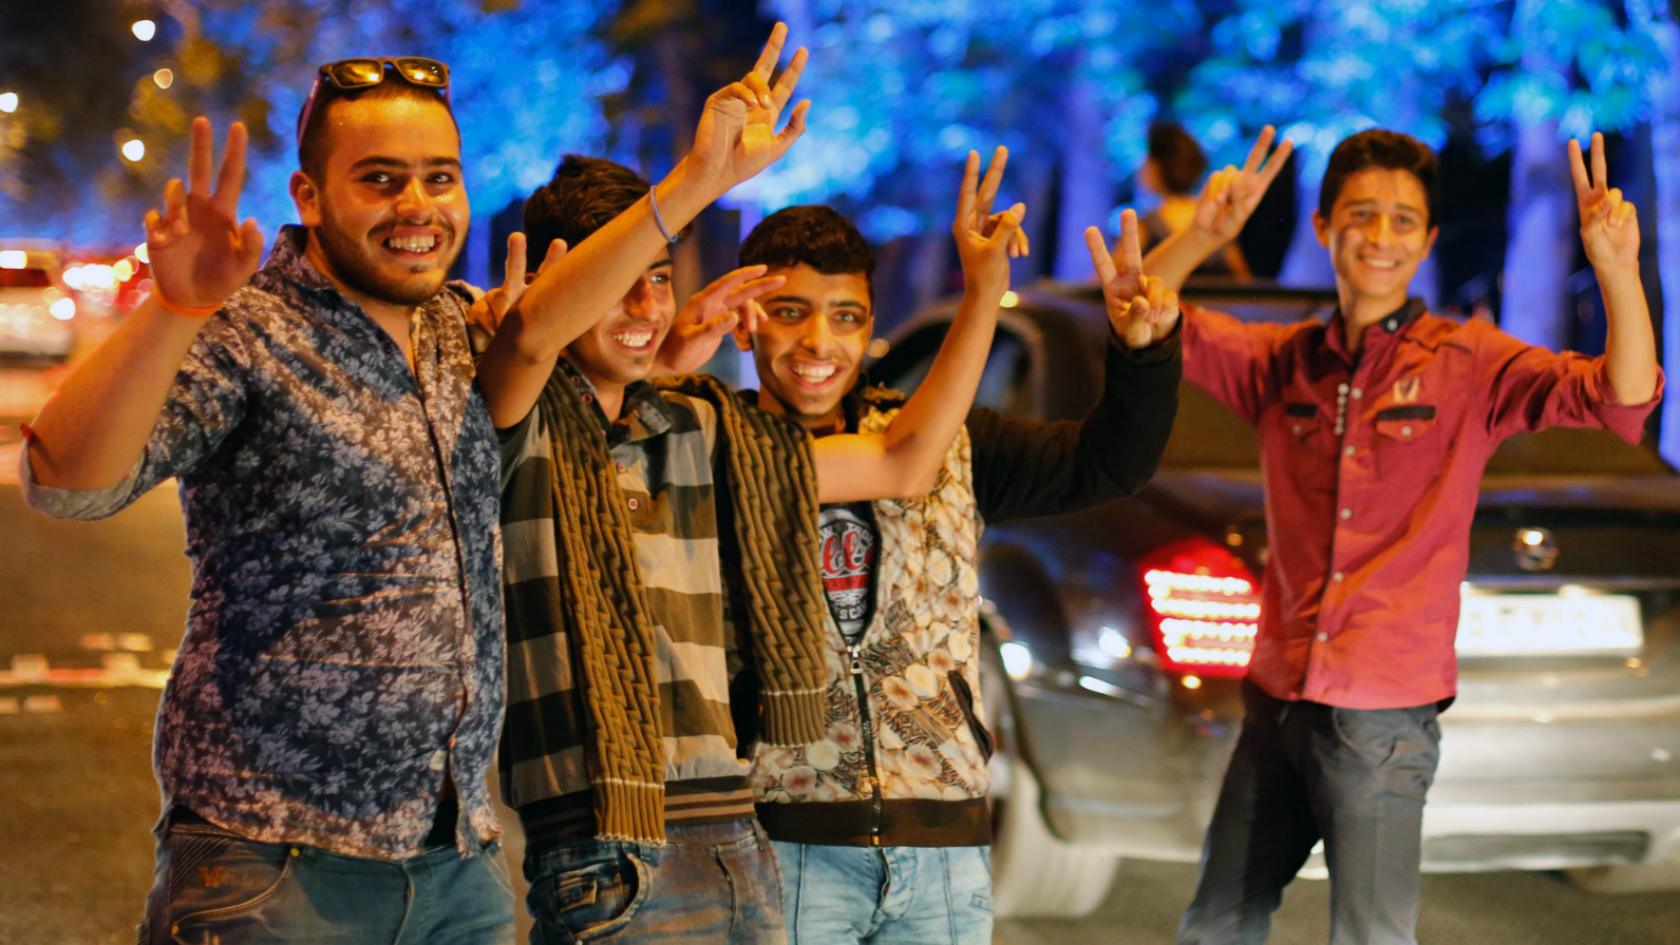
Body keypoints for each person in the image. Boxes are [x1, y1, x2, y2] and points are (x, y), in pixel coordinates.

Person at [11, 55, 631, 942]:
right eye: (379, 180)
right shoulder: (248, 331)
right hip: (273, 867)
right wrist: (172, 308)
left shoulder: (459, 329)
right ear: (309, 194)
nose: (416, 206)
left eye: (438, 178)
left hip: (458, 859)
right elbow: (66, 483)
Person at [468, 26, 1028, 945]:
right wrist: (701, 178)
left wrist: (980, 297)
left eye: (658, 279)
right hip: (606, 844)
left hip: (735, 828)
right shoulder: (513, 422)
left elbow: (900, 461)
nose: (644, 306)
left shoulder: (697, 427)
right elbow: (531, 340)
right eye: (614, 283)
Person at [1132, 126, 1662, 945]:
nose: (1380, 238)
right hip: (1276, 702)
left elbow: (1623, 400)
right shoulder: (1281, 362)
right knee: (1215, 924)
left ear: (1429, 240)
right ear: (1322, 227)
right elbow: (1138, 312)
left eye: (1403, 220)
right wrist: (1201, 234)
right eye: (1361, 215)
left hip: (1382, 721)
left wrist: (1617, 269)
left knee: (1373, 936)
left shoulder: (1470, 362)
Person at [733, 202, 1182, 944]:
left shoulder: (949, 440)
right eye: (790, 312)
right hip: (783, 844)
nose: (820, 341)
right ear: (746, 316)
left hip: (943, 846)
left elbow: (1109, 463)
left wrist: (1143, 353)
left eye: (847, 317)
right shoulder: (712, 444)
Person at [1139, 121, 1252, 280]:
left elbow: (1107, 286)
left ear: (1156, 167)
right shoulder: (1219, 220)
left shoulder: (1145, 226)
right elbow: (1243, 281)